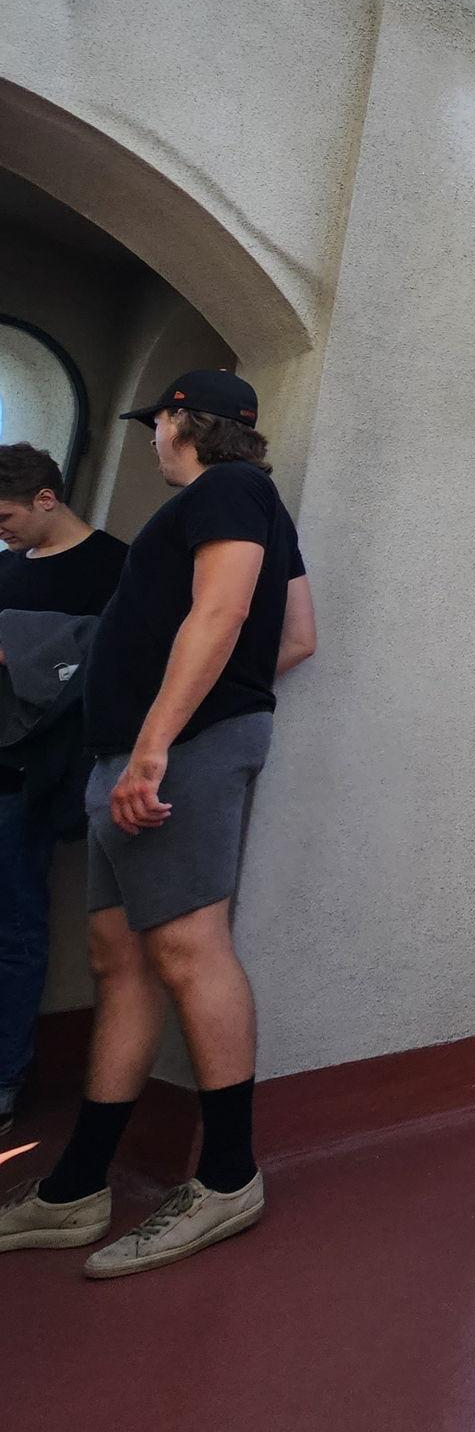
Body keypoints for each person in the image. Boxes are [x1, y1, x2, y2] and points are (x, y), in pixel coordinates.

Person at [0, 371, 314, 1278]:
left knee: (188, 949)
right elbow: (295, 636)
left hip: (170, 753)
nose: (150, 438)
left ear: (183, 420)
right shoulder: (250, 501)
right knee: (120, 958)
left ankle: (225, 1180)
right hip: (140, 752)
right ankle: (77, 1189)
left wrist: (159, 744)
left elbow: (224, 611)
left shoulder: (229, 490)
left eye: (157, 422)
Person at [0, 445, 129, 1134]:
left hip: (34, 775)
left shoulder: (114, 566)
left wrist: (17, 646)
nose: (2, 530)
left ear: (47, 498)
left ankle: (5, 1075)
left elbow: (111, 664)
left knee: (14, 925)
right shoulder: (6, 566)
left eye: (7, 515)